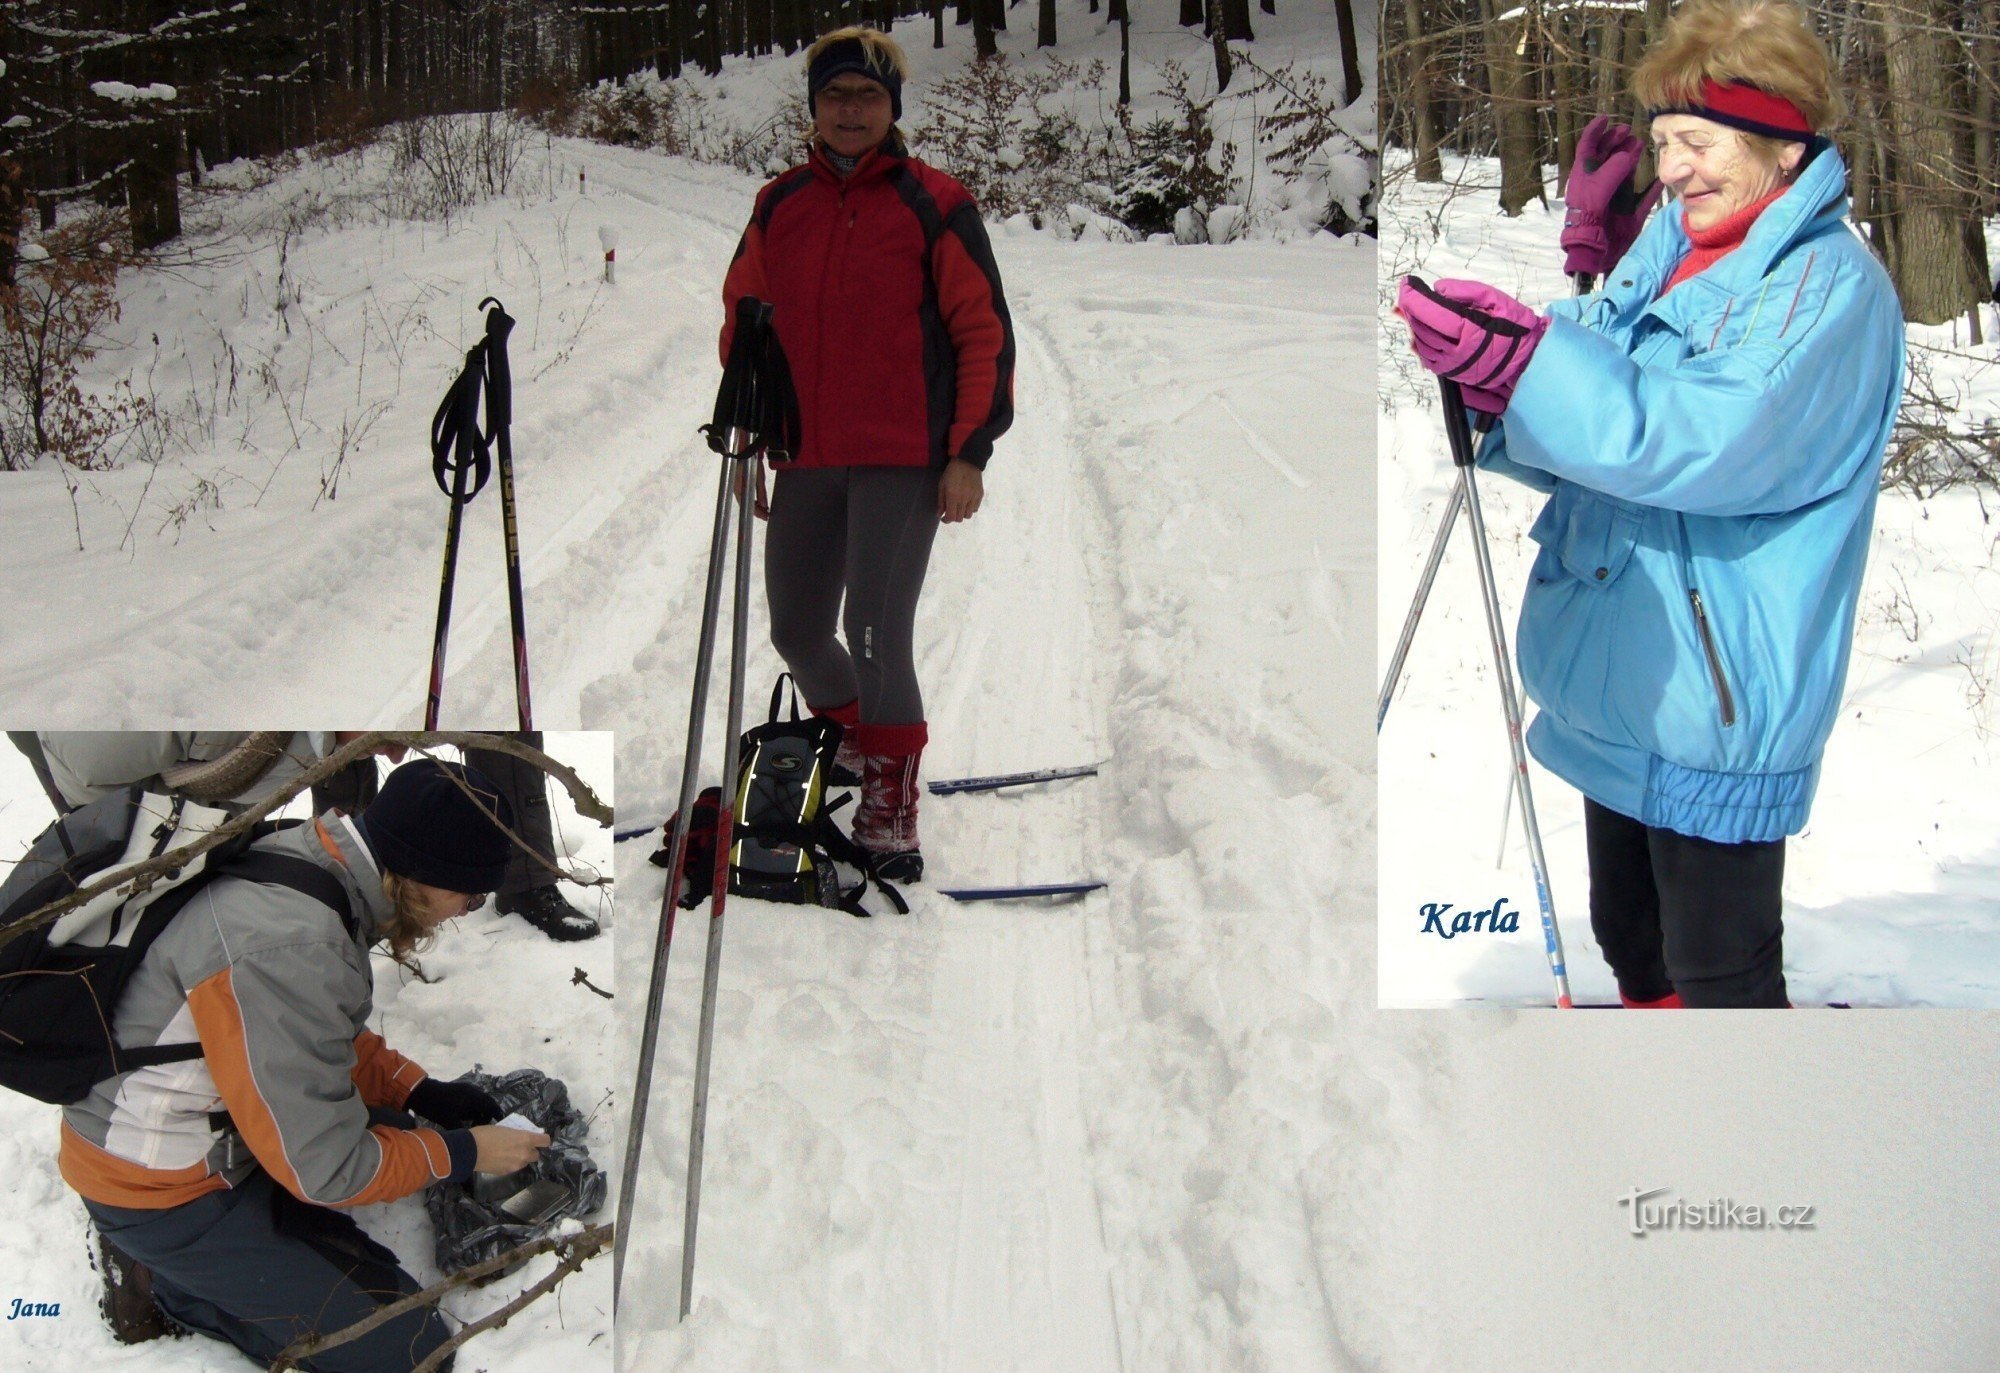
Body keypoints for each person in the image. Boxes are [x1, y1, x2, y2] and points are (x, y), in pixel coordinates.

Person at [1396, 0, 1904, 1008]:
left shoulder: (1825, 288)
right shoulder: (1674, 239)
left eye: (1697, 142)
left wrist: (1533, 368)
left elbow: (1702, 436)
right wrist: (1522, 352)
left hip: (1716, 692)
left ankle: (1742, 1147)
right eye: (1664, 141)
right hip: (1626, 665)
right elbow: (1606, 364)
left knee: (1717, 970)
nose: (1670, 168)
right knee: (1630, 942)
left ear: (1781, 144)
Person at [61, 758, 552, 1369]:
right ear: (421, 874)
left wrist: (419, 1090)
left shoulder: (310, 859)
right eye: (468, 892)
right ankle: (160, 1283)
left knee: (410, 1140)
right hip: (162, 1191)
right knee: (410, 1351)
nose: (468, 909)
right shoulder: (290, 945)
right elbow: (327, 1169)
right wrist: (468, 1152)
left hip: (222, 1122)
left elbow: (311, 1037)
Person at [719, 24, 1015, 882]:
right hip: (806, 452)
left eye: (868, 97)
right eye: (836, 96)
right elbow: (747, 320)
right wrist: (748, 431)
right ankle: (853, 738)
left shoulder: (936, 202)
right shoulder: (780, 204)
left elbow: (981, 329)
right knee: (799, 629)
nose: (851, 111)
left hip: (903, 455)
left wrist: (968, 452)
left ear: (893, 108)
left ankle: (892, 794)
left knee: (877, 632)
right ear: (814, 106)